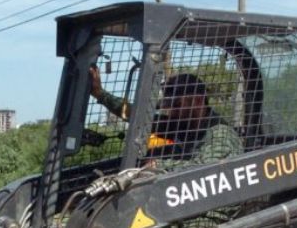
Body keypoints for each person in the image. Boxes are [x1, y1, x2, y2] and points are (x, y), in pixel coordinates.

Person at [89, 66, 242, 165]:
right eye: (168, 107)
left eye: (176, 105)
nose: (170, 112)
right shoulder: (181, 124)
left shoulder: (220, 132)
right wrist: (100, 94)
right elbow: (138, 117)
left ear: (197, 100)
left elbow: (208, 172)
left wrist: (157, 166)